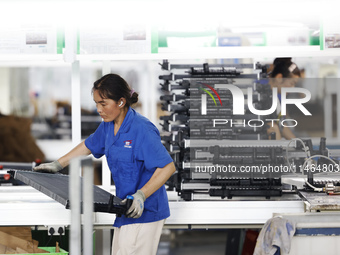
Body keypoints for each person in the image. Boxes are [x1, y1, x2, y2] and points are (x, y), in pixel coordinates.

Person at [34, 73, 176, 255]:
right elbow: (88, 145)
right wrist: (57, 164)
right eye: (96, 104)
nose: (98, 109)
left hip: (145, 211)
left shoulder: (142, 129)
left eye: (103, 104)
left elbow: (167, 167)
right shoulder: (108, 125)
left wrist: (141, 195)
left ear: (121, 102)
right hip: (125, 208)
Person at [266, 58, 301, 140]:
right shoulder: (263, 97)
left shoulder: (276, 97)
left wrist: (298, 143)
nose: (292, 88)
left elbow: (281, 124)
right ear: (279, 78)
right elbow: (272, 128)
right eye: (292, 83)